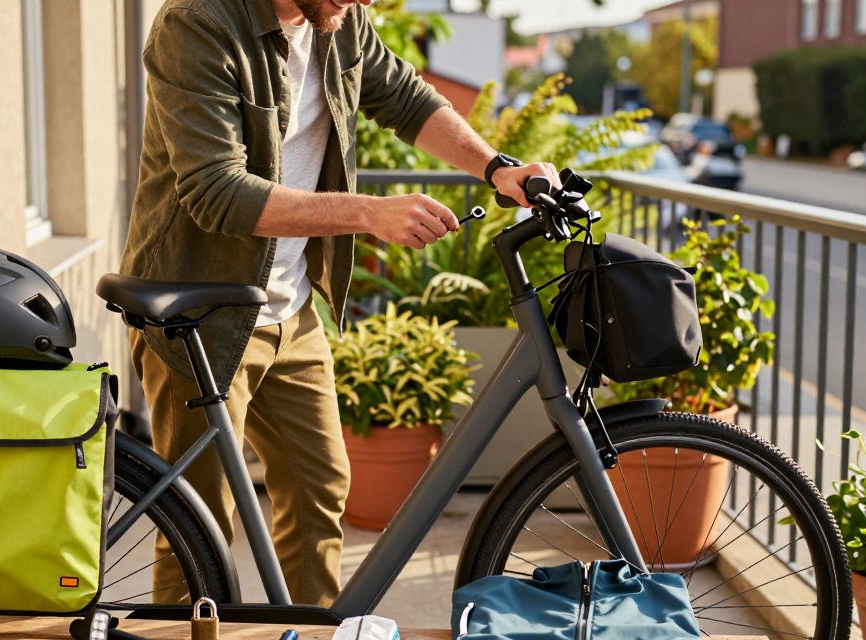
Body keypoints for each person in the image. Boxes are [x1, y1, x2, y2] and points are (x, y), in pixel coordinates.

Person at [124, 0, 558, 607]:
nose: (362, 2)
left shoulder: (339, 19)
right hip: (199, 312)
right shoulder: (197, 24)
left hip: (291, 307)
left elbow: (407, 100)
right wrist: (367, 214)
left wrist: (496, 168)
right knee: (199, 523)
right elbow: (215, 191)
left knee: (319, 488)